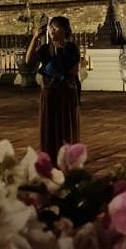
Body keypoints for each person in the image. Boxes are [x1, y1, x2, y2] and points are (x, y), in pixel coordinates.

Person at [25, 15, 80, 159]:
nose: (52, 30)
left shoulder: (71, 49)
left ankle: (67, 158)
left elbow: (72, 71)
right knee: (49, 127)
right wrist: (35, 37)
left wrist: (55, 70)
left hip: (66, 93)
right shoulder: (45, 49)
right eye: (50, 27)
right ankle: (49, 157)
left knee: (65, 126)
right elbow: (28, 61)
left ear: (65, 30)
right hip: (49, 93)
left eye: (56, 27)